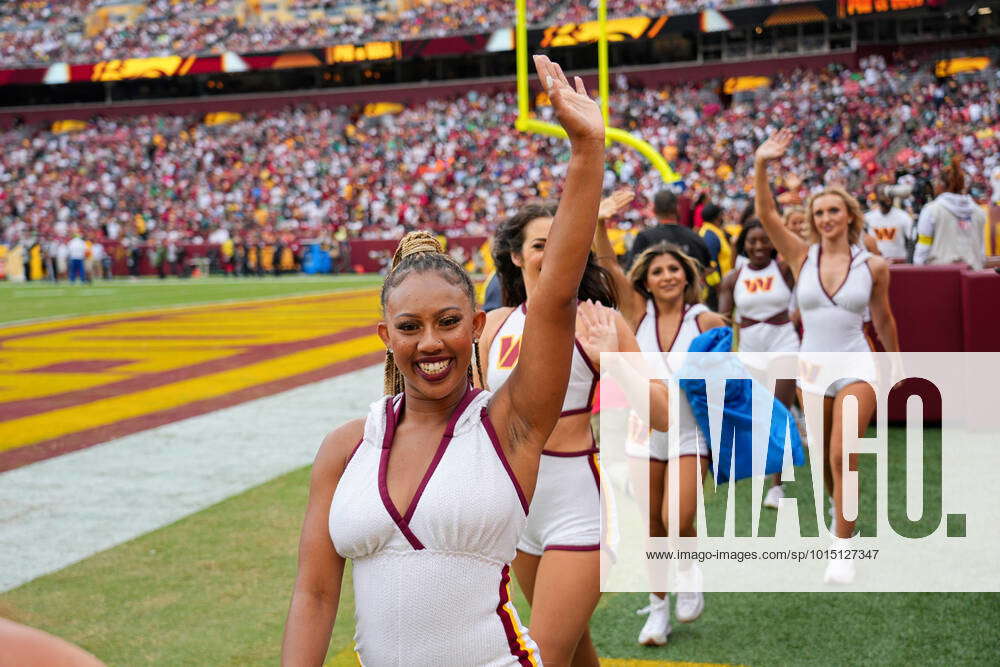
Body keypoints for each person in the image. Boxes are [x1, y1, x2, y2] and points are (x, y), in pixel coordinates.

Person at [281, 54, 606, 666]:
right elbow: (316, 593)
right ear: (385, 335)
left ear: (477, 325)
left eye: (449, 322)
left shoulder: (509, 423)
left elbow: (557, 295)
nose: (430, 341)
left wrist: (587, 149)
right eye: (410, 327)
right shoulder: (346, 447)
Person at [482, 197, 669, 665]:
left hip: (579, 508)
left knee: (540, 655)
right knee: (573, 650)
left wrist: (613, 363)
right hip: (517, 509)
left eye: (563, 242)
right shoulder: (496, 327)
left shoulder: (599, 320)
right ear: (516, 255)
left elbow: (664, 416)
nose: (554, 251)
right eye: (541, 244)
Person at [754, 128, 900, 585]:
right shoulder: (800, 256)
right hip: (812, 369)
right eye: (819, 211)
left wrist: (895, 364)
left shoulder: (872, 265)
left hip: (858, 364)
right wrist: (762, 164)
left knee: (843, 454)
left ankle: (842, 549)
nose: (827, 216)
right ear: (813, 219)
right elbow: (766, 213)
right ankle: (844, 515)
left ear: (849, 215)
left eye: (834, 209)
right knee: (823, 459)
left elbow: (884, 319)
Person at [595, 214, 726, 645]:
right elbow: (609, 266)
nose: (667, 276)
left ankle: (689, 571)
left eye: (674, 269)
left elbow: (728, 381)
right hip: (643, 432)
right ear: (645, 281)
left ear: (687, 276)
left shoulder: (706, 321)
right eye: (657, 271)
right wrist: (599, 224)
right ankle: (657, 611)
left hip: (691, 433)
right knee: (652, 524)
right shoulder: (638, 314)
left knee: (677, 516)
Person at [717, 220, 800, 508]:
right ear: (744, 245)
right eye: (752, 241)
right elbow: (724, 321)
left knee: (779, 410)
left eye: (765, 240)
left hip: (784, 344)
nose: (759, 246)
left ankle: (777, 487)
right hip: (751, 351)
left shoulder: (784, 269)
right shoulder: (732, 278)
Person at [913, 159, 988, 269]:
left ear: (942, 185)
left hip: (942, 277)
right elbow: (981, 255)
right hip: (973, 277)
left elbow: (922, 251)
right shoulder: (979, 212)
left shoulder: (931, 211)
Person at [627, 189, 711, 273]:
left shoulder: (644, 238)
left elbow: (631, 271)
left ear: (654, 210)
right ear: (677, 209)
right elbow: (707, 269)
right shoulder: (693, 237)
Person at [864, 185, 914, 263]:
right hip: (876, 263)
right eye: (883, 194)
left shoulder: (903, 217)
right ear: (877, 196)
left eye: (889, 194)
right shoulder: (868, 218)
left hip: (899, 263)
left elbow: (912, 239)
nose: (887, 197)